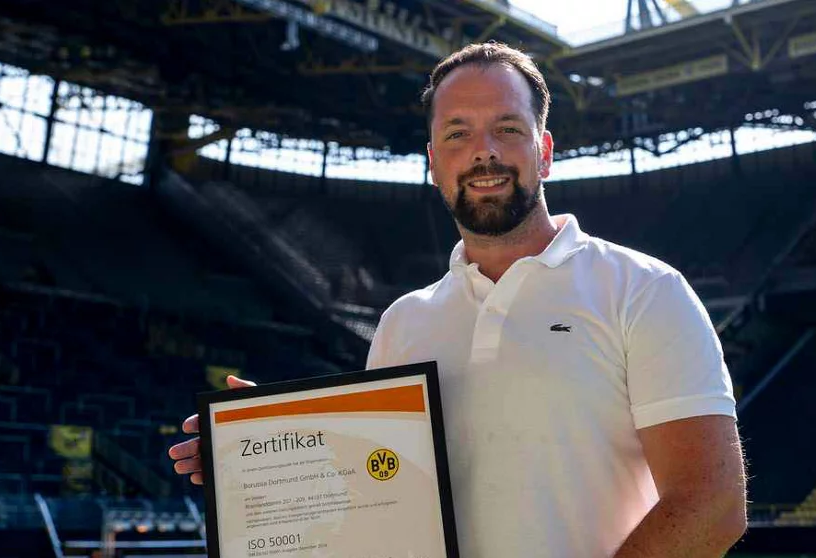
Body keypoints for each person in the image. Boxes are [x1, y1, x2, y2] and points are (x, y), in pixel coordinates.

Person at [169, 42, 747, 558]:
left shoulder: (644, 290)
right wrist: (263, 453)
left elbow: (712, 503)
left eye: (507, 128)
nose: (483, 152)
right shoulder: (404, 322)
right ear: (434, 163)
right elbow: (381, 499)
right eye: (458, 133)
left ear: (543, 151)